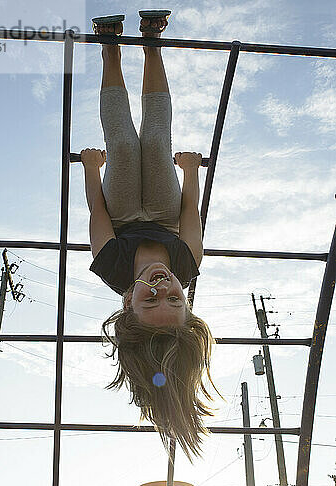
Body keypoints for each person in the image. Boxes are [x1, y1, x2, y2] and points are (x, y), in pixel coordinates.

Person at [81, 11, 220, 461]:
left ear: (128, 303)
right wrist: (191, 171)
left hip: (122, 211)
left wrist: (91, 169)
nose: (162, 289)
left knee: (122, 143)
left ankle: (109, 48)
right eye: (174, 300)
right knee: (157, 141)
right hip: (162, 212)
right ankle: (152, 45)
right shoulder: (188, 263)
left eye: (150, 300)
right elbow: (190, 213)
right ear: (187, 300)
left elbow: (97, 210)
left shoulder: (112, 266)